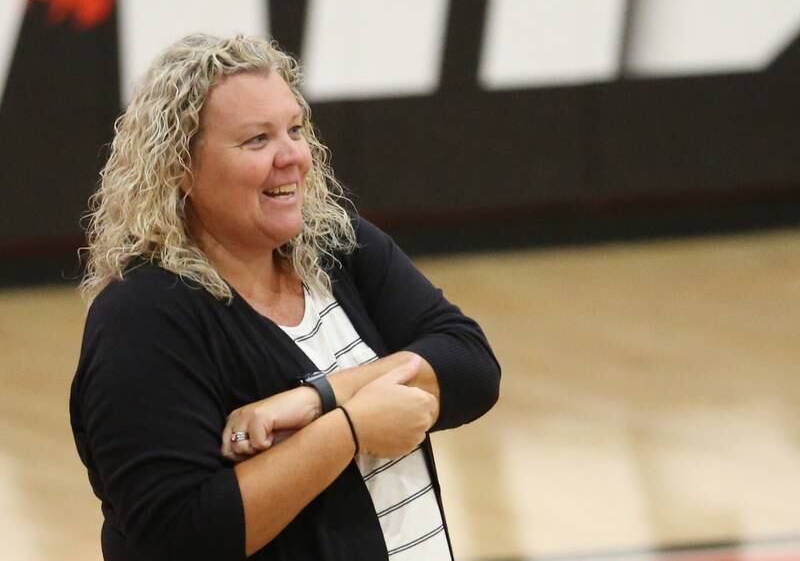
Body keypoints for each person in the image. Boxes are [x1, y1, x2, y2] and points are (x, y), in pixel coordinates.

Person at [70, 33, 500, 561]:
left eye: (294, 129)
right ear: (180, 167)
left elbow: (471, 366)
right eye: (257, 140)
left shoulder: (340, 245)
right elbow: (180, 534)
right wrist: (349, 429)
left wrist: (320, 398)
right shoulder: (141, 319)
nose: (292, 156)